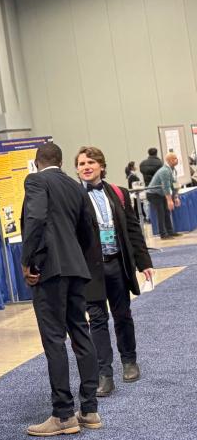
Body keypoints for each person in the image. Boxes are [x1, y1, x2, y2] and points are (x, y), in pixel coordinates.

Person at [20, 143, 101, 436]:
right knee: (81, 334)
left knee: (54, 340)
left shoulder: (35, 180)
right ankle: (89, 410)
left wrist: (27, 260)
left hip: (50, 272)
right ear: (62, 161)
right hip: (76, 268)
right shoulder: (75, 186)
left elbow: (35, 219)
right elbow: (87, 229)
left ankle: (63, 414)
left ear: (36, 162)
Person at [75, 147, 153, 397]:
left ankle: (129, 360)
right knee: (97, 320)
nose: (86, 167)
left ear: (101, 165)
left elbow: (132, 229)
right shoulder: (74, 197)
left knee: (122, 315)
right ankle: (104, 374)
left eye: (91, 162)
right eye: (81, 164)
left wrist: (144, 262)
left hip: (117, 264)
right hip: (90, 270)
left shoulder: (119, 193)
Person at [145, 152, 181, 239]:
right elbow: (166, 186)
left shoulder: (173, 170)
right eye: (174, 158)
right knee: (161, 212)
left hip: (161, 193)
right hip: (153, 194)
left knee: (167, 212)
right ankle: (163, 234)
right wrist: (169, 200)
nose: (177, 160)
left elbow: (175, 184)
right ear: (169, 160)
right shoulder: (164, 171)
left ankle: (170, 231)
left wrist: (176, 197)